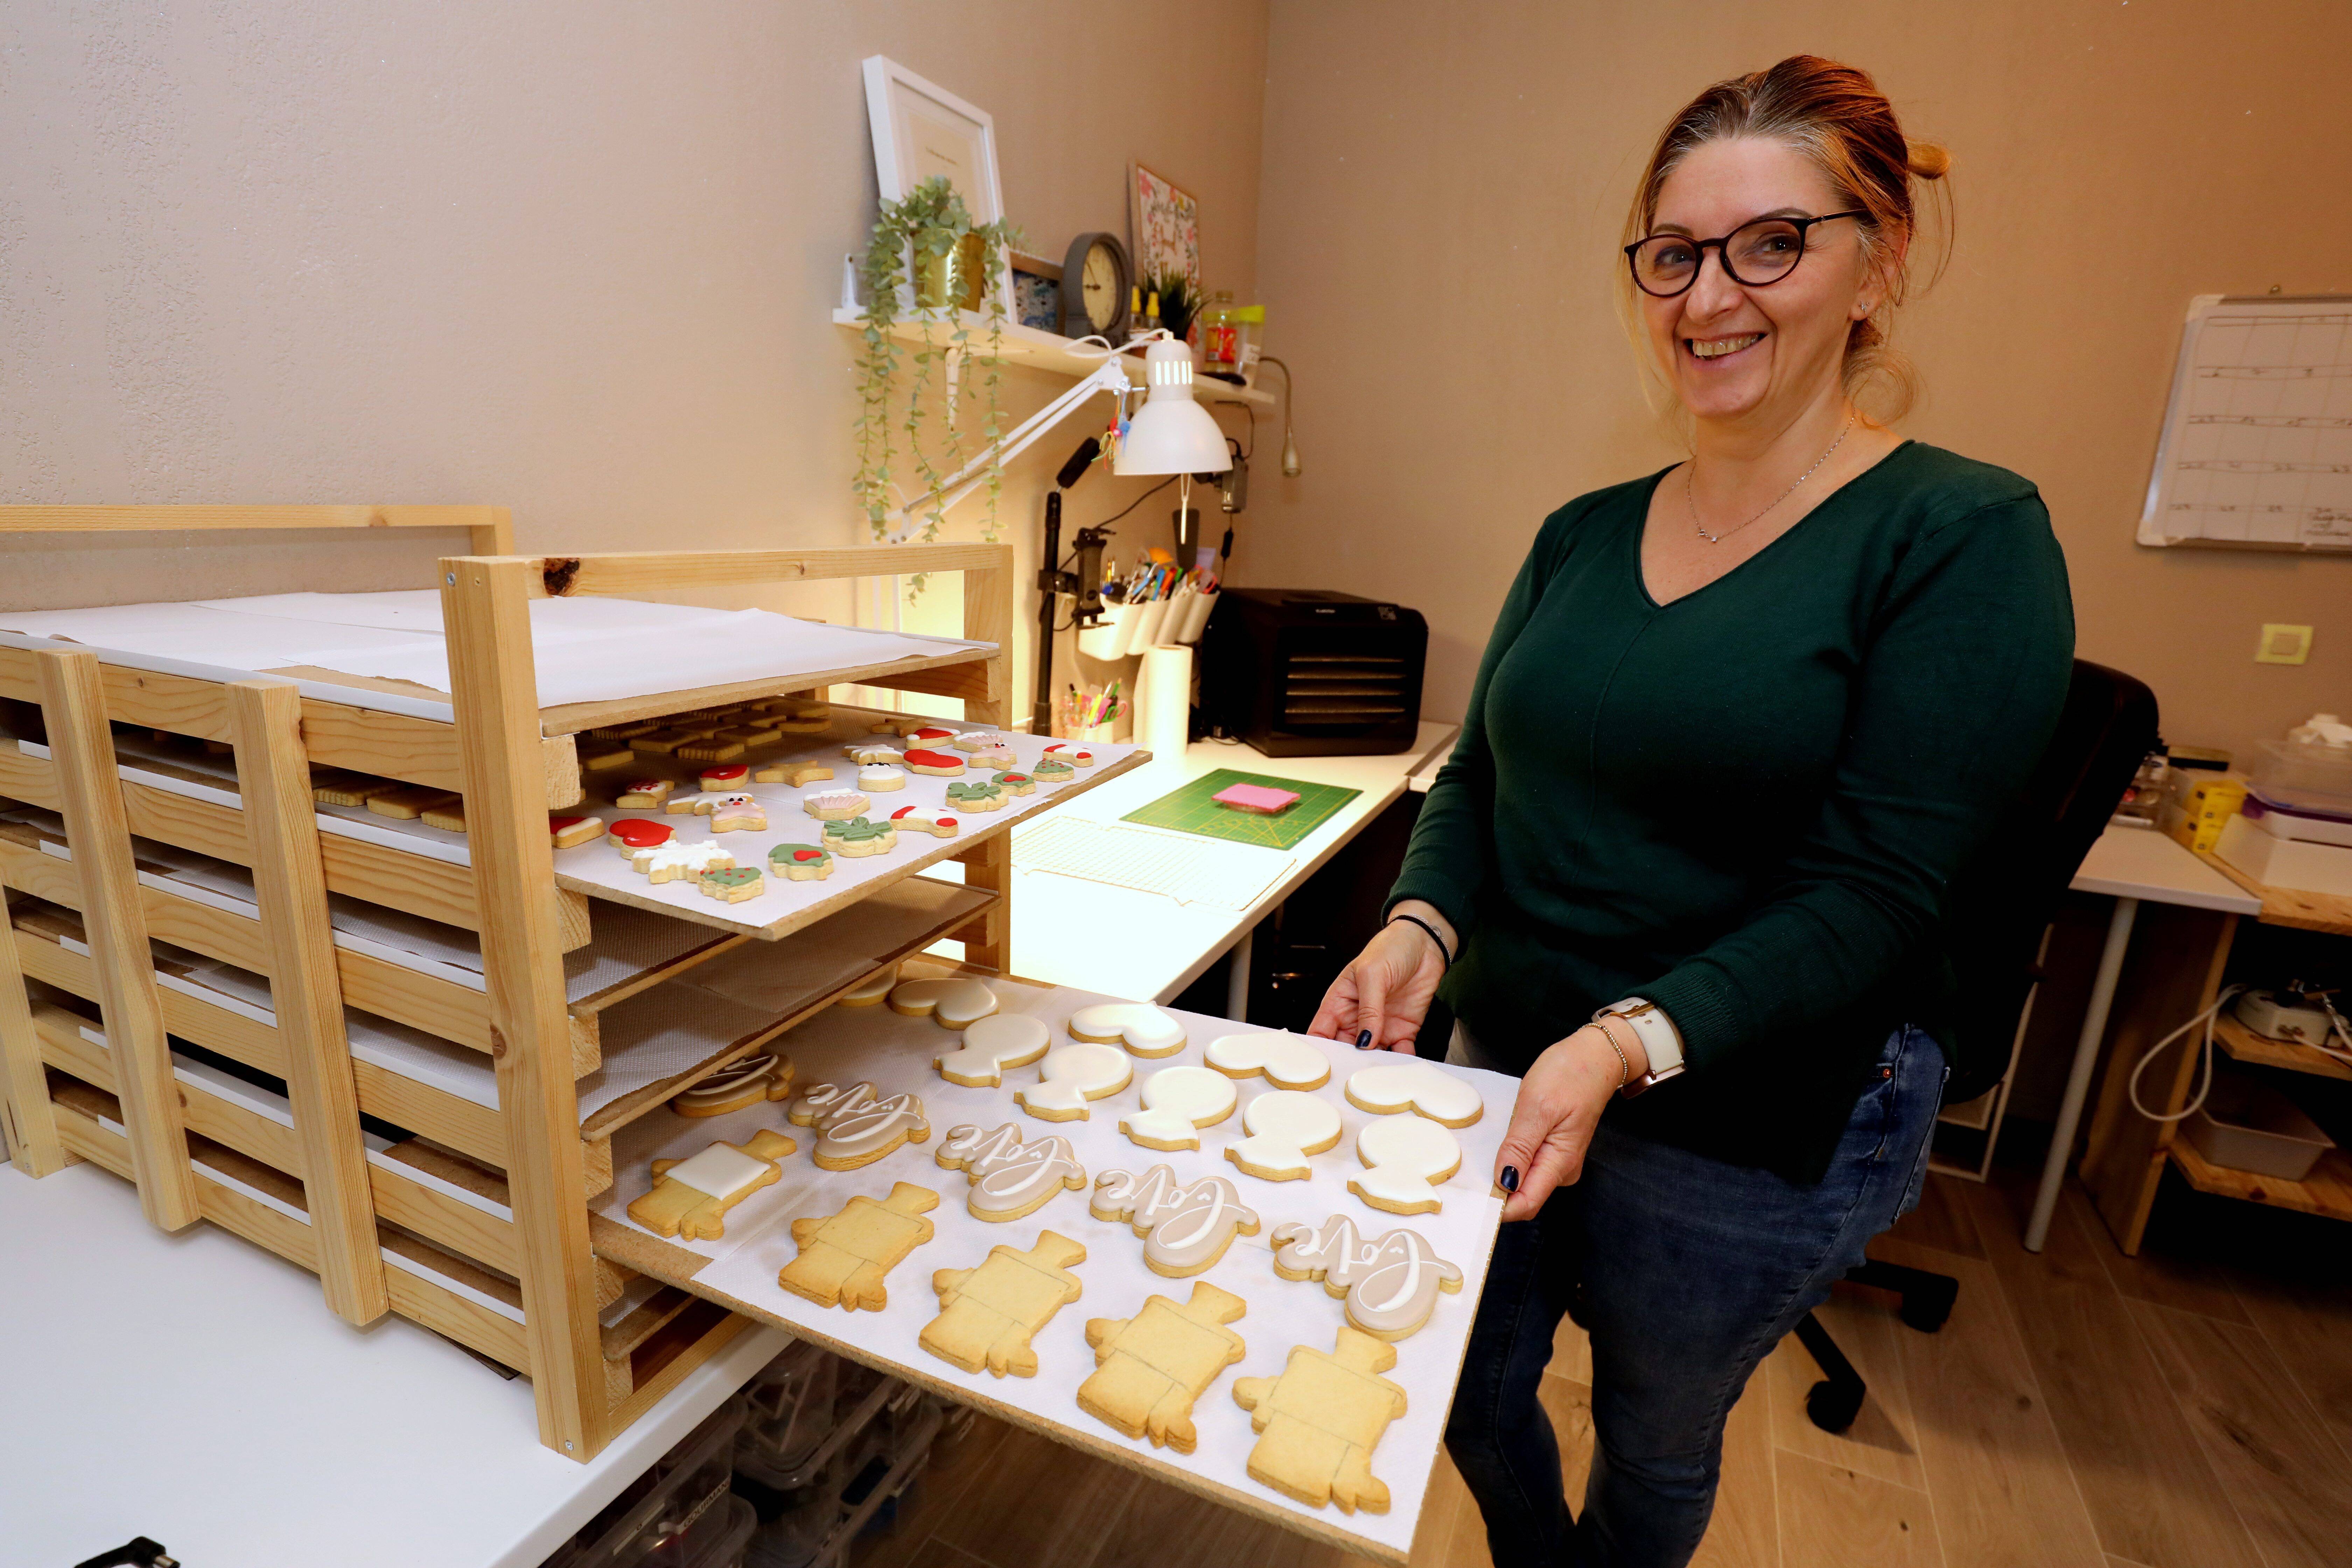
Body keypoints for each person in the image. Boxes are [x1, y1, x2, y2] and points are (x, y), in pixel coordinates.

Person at [1307, 55, 2074, 1568]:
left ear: (1881, 261)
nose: (1708, 296)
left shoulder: (1958, 533)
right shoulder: (1582, 533)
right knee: (1462, 1380)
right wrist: (1419, 922)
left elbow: (1877, 891)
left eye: (1770, 242)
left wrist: (1624, 1041)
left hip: (1753, 1105)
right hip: (1509, 1064)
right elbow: (1482, 774)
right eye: (1673, 253)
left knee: (1659, 1432)